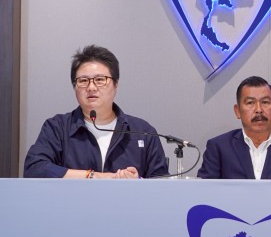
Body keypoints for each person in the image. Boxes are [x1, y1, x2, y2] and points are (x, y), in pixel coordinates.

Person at [24, 45, 168, 178]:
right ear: (75, 87)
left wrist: (137, 181)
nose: (91, 87)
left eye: (100, 80)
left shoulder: (143, 132)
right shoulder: (58, 128)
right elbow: (34, 168)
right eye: (83, 81)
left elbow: (162, 185)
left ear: (115, 85)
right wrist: (92, 176)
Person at [197, 76, 271, 179]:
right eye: (250, 103)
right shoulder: (219, 148)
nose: (259, 110)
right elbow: (204, 192)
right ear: (237, 111)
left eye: (265, 102)